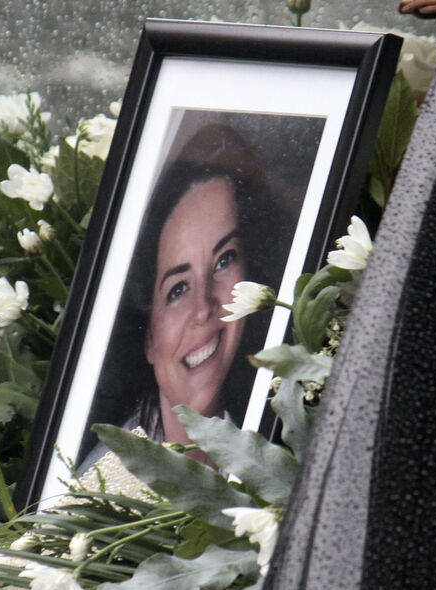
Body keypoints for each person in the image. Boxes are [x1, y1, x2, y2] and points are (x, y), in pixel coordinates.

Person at [78, 125, 294, 472]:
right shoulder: (103, 485)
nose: (203, 308)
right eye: (177, 289)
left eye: (224, 260)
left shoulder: (270, 449)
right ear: (148, 336)